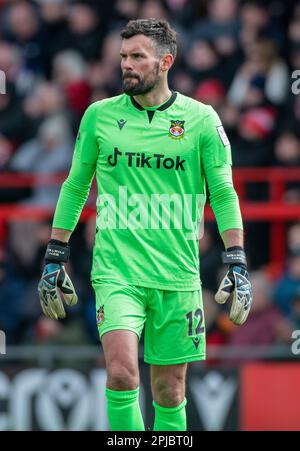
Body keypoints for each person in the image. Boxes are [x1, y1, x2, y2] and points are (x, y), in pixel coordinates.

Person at [38, 18, 252, 431]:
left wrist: (237, 259)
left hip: (178, 273)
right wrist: (54, 254)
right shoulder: (99, 116)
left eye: (138, 56)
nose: (127, 65)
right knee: (121, 372)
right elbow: (75, 185)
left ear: (165, 61)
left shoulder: (202, 120)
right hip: (117, 271)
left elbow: (224, 193)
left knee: (170, 391)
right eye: (123, 57)